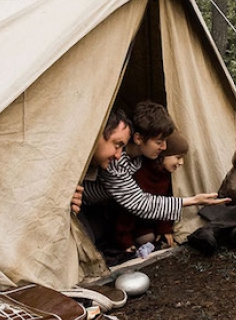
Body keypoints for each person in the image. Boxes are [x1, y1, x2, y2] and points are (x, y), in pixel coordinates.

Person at [72, 102, 228, 256]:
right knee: (88, 243)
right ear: (139, 139)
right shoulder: (115, 162)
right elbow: (139, 203)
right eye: (159, 142)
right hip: (83, 204)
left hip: (106, 204)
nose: (164, 147)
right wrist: (193, 201)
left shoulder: (140, 157)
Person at [113, 130, 190, 256]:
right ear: (164, 154)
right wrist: (125, 242)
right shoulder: (141, 173)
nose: (181, 163)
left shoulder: (166, 174)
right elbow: (125, 211)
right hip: (130, 223)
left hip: (150, 220)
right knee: (146, 238)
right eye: (178, 157)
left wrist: (165, 229)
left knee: (152, 239)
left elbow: (166, 201)